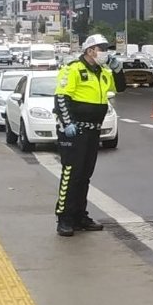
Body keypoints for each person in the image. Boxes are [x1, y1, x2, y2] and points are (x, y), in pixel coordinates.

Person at [51, 34, 125, 237]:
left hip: (93, 130)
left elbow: (119, 87)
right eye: (102, 48)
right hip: (75, 130)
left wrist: (118, 70)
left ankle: (79, 216)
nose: (105, 52)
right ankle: (64, 218)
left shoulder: (101, 72)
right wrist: (67, 124)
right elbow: (61, 98)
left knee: (84, 176)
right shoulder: (74, 69)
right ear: (90, 50)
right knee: (71, 175)